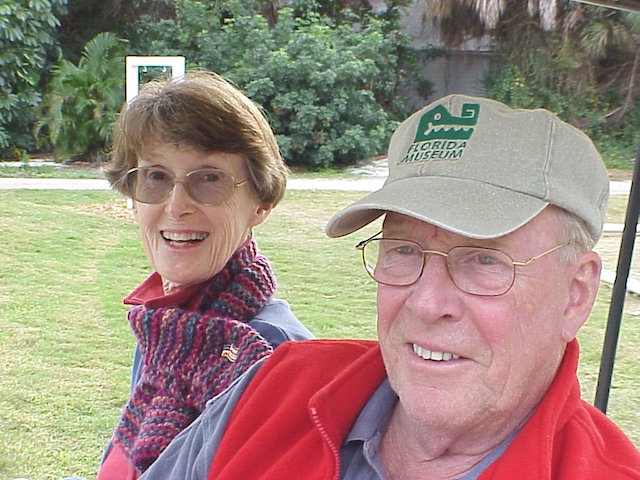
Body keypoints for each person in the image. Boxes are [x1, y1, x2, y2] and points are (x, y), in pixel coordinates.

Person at [139, 94, 640, 479]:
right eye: (403, 250)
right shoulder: (276, 389)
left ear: (575, 295)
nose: (426, 302)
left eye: (484, 259)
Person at [96, 70, 313, 479]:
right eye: (156, 177)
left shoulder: (267, 355)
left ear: (261, 204)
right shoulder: (167, 327)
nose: (177, 205)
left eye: (209, 179)